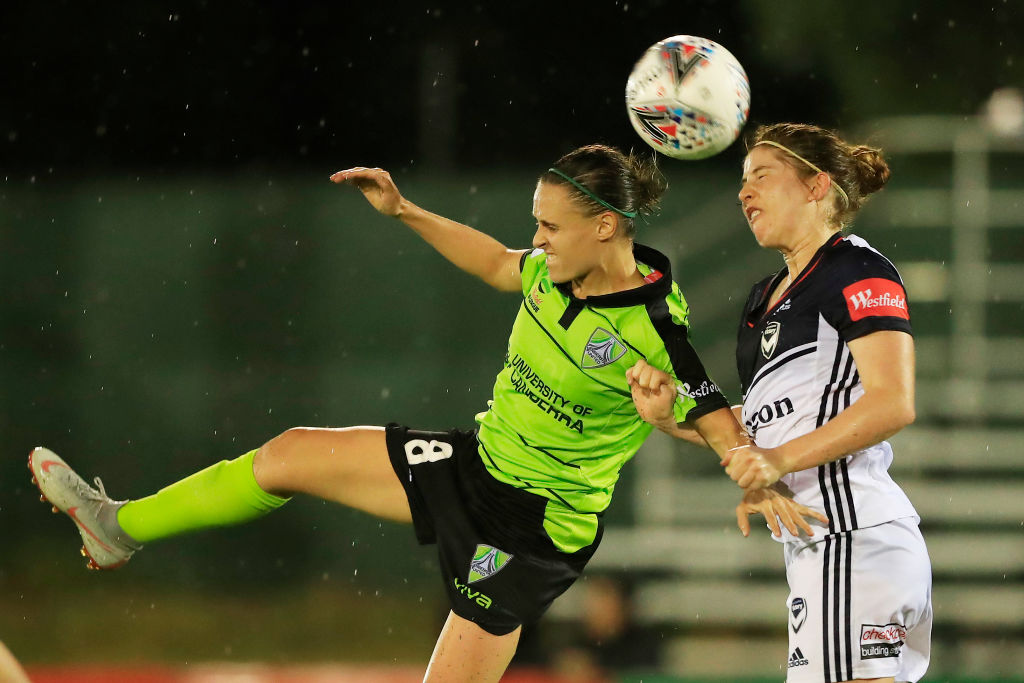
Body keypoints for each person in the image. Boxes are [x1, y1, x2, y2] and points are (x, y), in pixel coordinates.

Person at [30, 144, 822, 682]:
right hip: (478, 461)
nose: (538, 241)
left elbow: (713, 410)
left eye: (551, 226)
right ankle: (119, 524)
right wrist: (405, 211)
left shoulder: (652, 326)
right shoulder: (550, 271)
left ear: (606, 227)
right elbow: (495, 263)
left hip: (533, 527)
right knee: (291, 452)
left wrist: (747, 473)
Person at [628, 123, 932, 683]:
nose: (743, 193)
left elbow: (894, 403)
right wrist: (672, 420)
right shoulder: (763, 297)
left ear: (816, 186)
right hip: (825, 548)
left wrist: (779, 461)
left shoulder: (856, 268)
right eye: (742, 182)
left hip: (852, 537)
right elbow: (761, 428)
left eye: (761, 177)